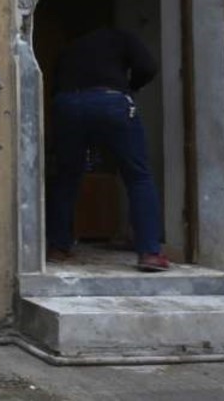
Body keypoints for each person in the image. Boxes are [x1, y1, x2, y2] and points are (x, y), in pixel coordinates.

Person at [46, 26, 168, 272]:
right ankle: (149, 253)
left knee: (66, 177)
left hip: (67, 105)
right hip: (111, 101)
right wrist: (130, 88)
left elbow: (54, 86)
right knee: (138, 176)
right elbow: (148, 67)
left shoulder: (70, 48)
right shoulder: (121, 35)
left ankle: (58, 247)